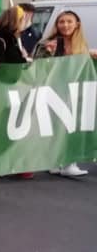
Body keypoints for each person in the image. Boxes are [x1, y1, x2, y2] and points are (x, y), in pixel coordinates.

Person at [33, 10, 97, 178]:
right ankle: (54, 162)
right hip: (54, 90)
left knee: (71, 126)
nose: (65, 25)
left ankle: (69, 163)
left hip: (74, 92)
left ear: (77, 24)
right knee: (55, 127)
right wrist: (48, 53)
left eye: (69, 21)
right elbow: (36, 66)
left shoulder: (81, 44)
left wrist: (90, 56)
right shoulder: (48, 43)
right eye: (61, 22)